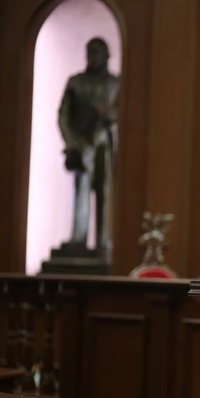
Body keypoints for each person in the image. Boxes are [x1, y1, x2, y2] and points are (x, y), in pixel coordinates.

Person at [59, 37, 119, 254]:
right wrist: (72, 142)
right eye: (89, 52)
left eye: (97, 52)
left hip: (105, 144)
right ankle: (79, 237)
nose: (92, 57)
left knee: (105, 192)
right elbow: (64, 116)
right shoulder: (76, 83)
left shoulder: (115, 84)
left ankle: (105, 240)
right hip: (82, 144)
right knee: (81, 190)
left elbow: (125, 113)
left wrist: (109, 113)